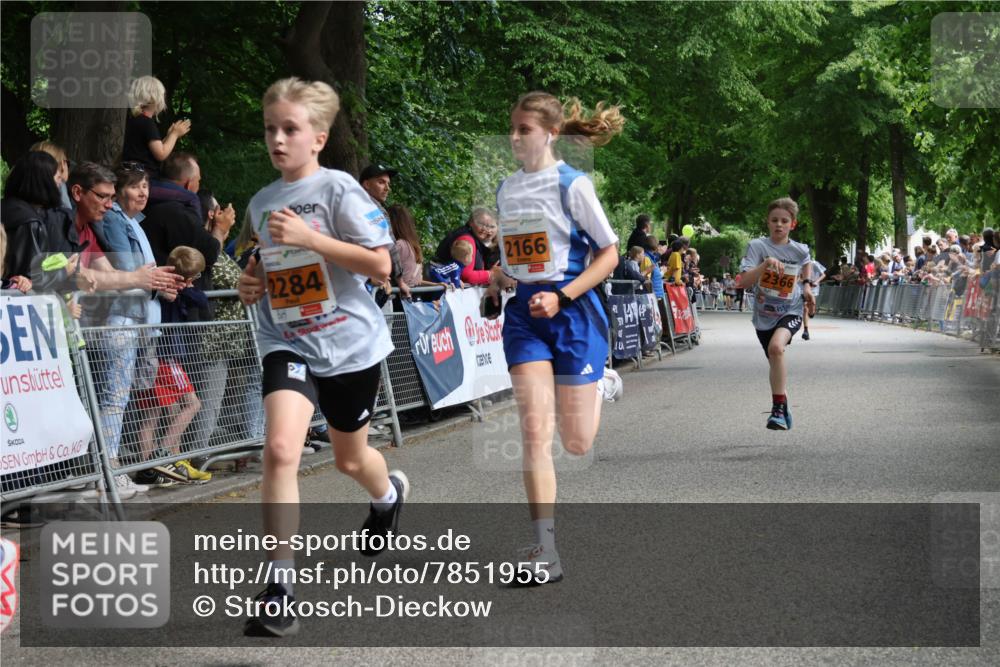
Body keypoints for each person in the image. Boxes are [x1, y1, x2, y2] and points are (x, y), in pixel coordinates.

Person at [237, 77, 406, 637]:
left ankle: (387, 497)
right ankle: (280, 586)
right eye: (270, 129)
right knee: (281, 448)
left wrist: (313, 239)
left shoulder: (338, 190)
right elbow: (261, 264)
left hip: (349, 344)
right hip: (287, 339)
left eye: (290, 129)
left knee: (350, 461)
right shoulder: (261, 203)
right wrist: (251, 281)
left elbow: (382, 267)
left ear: (319, 137)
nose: (278, 140)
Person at [485, 91, 624, 585]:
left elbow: (609, 254)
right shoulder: (507, 189)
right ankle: (546, 549)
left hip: (572, 315)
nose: (514, 137)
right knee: (535, 434)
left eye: (524, 129)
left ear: (549, 132)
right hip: (526, 318)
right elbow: (518, 254)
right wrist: (503, 279)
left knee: (577, 442)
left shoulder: (573, 184)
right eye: (512, 128)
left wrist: (562, 296)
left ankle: (601, 381)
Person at [736, 197, 814, 431]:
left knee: (776, 348)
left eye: (784, 221)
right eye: (774, 220)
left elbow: (806, 262)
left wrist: (808, 286)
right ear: (767, 222)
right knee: (774, 361)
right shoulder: (757, 247)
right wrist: (765, 265)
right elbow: (742, 282)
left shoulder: (799, 250)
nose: (779, 225)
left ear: (793, 224)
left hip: (790, 309)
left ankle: (777, 409)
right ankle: (783, 403)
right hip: (764, 315)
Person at [141, 152, 215, 285]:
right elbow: (210, 252)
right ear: (189, 184)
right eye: (198, 180)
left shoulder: (145, 202)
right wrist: (220, 229)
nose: (199, 185)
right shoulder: (177, 213)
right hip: (170, 293)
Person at [122, 75, 191, 178]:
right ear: (156, 98)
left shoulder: (135, 120)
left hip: (132, 175)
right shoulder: (147, 123)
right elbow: (161, 154)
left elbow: (152, 150)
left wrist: (169, 136)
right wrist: (175, 135)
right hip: (144, 178)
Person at [434, 208, 506, 287]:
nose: (486, 229)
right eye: (481, 224)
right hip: (444, 288)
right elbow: (466, 276)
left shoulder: (474, 238)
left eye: (492, 226)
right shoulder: (467, 240)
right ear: (471, 222)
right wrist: (490, 274)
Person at [801, 258, 826, 340]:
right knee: (805, 308)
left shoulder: (814, 264)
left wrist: (816, 281)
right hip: (804, 288)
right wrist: (804, 282)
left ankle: (812, 313)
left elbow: (823, 275)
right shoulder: (800, 264)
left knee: (811, 308)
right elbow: (798, 277)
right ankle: (805, 330)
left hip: (814, 289)